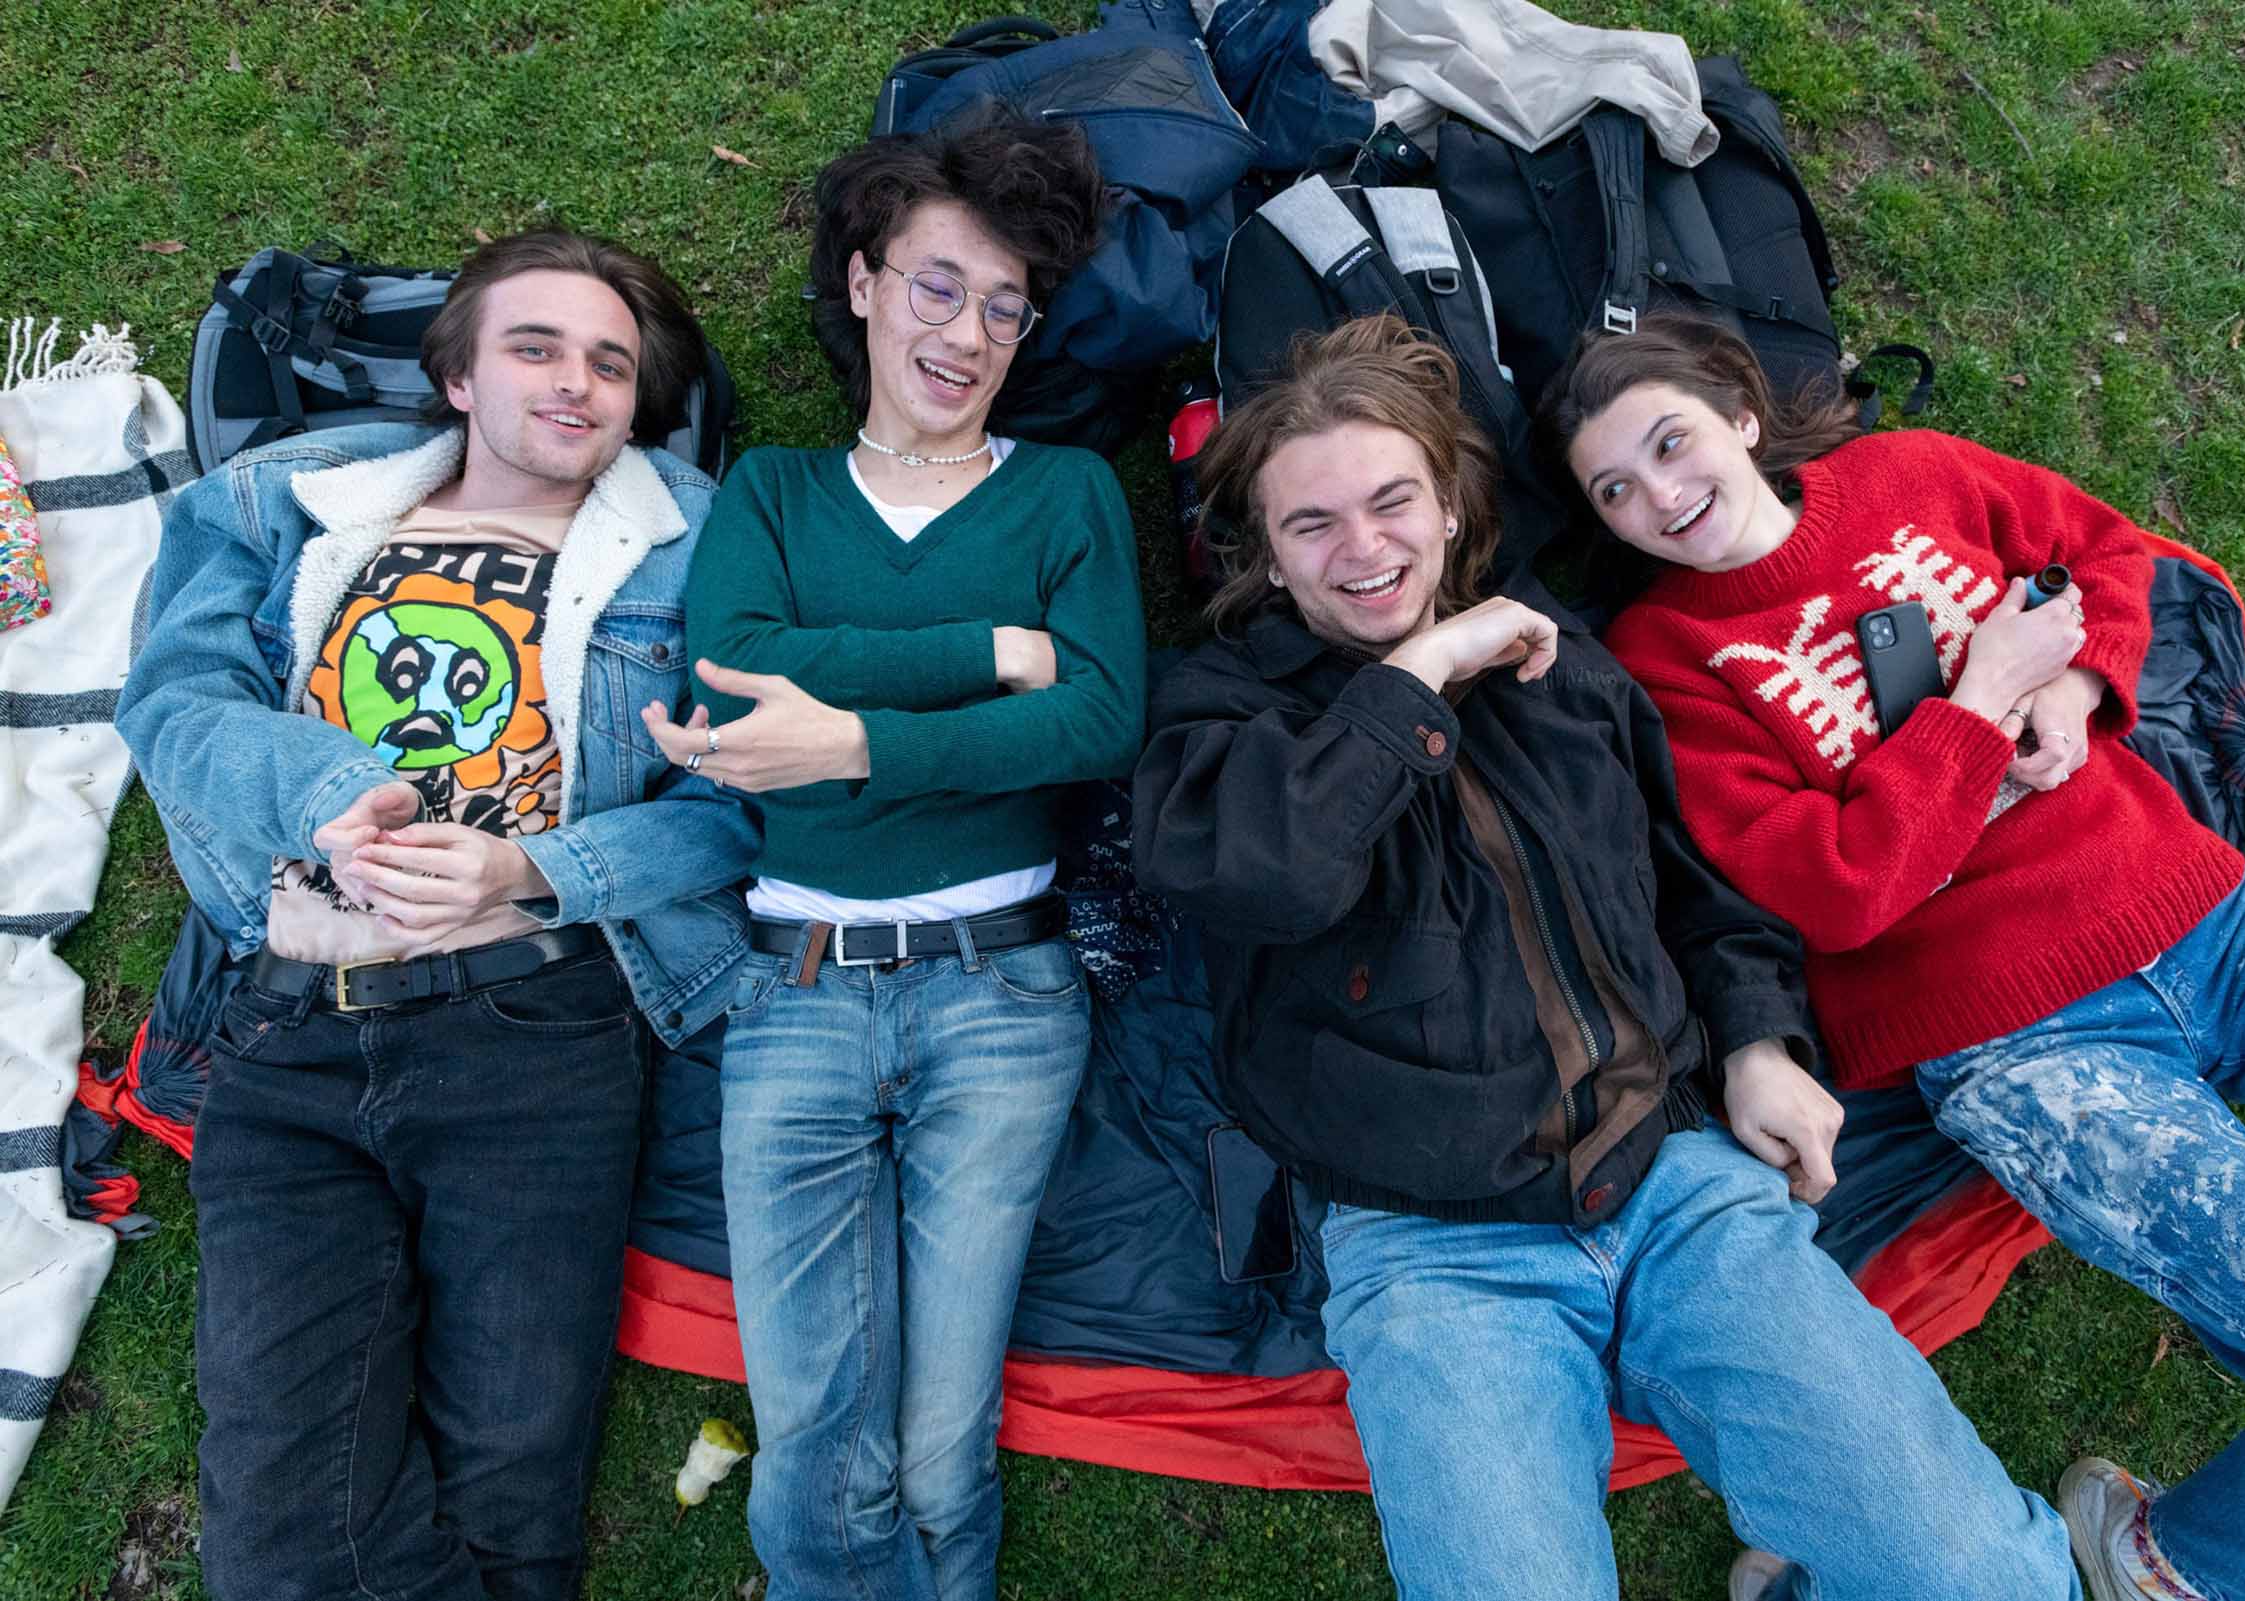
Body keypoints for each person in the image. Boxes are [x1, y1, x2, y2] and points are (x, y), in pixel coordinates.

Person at [1131, 314, 2076, 1601]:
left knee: (1986, 1579)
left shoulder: (1566, 668)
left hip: (1679, 1179)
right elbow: (1271, 874)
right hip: (1433, 1248)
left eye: (1392, 501)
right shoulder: (1217, 713)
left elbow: (1701, 887)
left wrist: (1757, 1041)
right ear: (1270, 556)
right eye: (1313, 526)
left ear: (1453, 510)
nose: (1362, 550)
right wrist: (1423, 670)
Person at [1555, 311, 2245, 1601]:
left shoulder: (1914, 476)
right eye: (1616, 490)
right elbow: (1832, 888)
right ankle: (2166, 1563)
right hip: (2031, 1049)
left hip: (2220, 922)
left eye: (1672, 443)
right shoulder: (1664, 662)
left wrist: (2079, 687)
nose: (1662, 497)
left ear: (1738, 412)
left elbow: (2105, 550)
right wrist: (1981, 694)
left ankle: (2189, 1561)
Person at [116, 229, 756, 1600]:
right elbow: (171, 710)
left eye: (611, 362)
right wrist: (324, 789)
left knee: (515, 1499)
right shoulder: (279, 505)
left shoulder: (697, 545)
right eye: (536, 347)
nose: (576, 383)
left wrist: (527, 871)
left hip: (536, 1031)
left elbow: (737, 814)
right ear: (455, 377)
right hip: (285, 1033)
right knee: (282, 1538)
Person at [642, 111, 1143, 1601]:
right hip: (794, 994)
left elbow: (1103, 716)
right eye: (937, 286)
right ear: (863, 284)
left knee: (936, 1447)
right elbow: (736, 665)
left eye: (1004, 306)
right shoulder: (774, 495)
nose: (969, 332)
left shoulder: (1068, 494)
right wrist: (993, 651)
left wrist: (856, 738)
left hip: (1003, 1000)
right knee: (811, 1432)